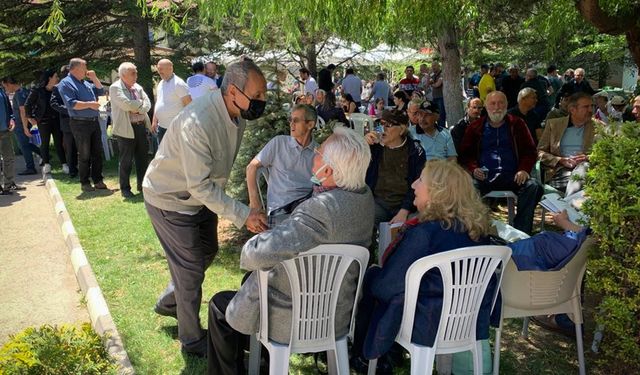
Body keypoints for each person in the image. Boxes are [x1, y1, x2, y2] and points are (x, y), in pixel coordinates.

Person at [207, 126, 374, 375]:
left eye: (319, 151)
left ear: (327, 171)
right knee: (248, 282)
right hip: (337, 311)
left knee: (219, 306)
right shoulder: (364, 198)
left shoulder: (321, 210)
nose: (314, 153)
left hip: (298, 315)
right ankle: (265, 360)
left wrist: (259, 239)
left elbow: (257, 254)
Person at [143, 60, 269, 357]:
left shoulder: (235, 114)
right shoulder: (197, 121)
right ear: (234, 92)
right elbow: (198, 185)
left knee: (207, 251)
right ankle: (191, 338)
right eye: (258, 95)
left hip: (200, 198)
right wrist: (243, 214)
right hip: (170, 199)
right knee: (189, 272)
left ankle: (169, 302)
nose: (262, 101)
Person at [351, 160, 494, 372]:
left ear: (438, 192)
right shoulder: (480, 231)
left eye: (420, 180)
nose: (413, 186)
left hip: (427, 324)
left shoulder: (424, 234)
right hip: (469, 319)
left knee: (373, 279)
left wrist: (373, 275)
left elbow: (386, 287)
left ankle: (368, 358)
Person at [459, 91, 542, 234]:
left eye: (500, 103)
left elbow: (530, 151)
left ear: (507, 105)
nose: (497, 107)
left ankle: (521, 232)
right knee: (468, 187)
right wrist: (474, 169)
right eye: (492, 103)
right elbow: (465, 155)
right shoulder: (476, 127)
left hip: (514, 176)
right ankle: (477, 231)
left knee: (533, 187)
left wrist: (523, 169)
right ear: (486, 106)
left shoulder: (517, 124)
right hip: (485, 178)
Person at [364, 109, 426, 255]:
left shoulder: (415, 151)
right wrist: (363, 145)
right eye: (380, 124)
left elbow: (417, 184)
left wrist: (404, 210)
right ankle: (367, 266)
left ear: (402, 129)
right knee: (365, 223)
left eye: (388, 125)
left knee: (418, 229)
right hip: (379, 201)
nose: (382, 129)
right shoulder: (375, 148)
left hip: (406, 204)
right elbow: (352, 165)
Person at [245, 104, 318, 227]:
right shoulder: (279, 143)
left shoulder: (318, 152)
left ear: (310, 125)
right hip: (281, 210)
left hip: (307, 209)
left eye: (296, 120)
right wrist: (254, 203)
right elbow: (251, 167)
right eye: (290, 120)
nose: (291, 124)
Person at [57, 57, 107, 192]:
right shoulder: (66, 83)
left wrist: (95, 78)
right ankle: (85, 182)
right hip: (80, 123)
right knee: (84, 154)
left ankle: (98, 180)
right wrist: (91, 104)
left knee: (97, 152)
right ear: (77, 68)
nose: (87, 70)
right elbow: (71, 104)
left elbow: (100, 92)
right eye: (85, 67)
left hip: (93, 122)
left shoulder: (84, 82)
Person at [538, 92, 597, 195]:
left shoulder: (598, 127)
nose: (590, 110)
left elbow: (606, 153)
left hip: (589, 171)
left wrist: (588, 157)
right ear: (572, 110)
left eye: (592, 106)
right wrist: (560, 160)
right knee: (583, 186)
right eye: (586, 107)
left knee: (583, 170)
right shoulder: (554, 125)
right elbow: (539, 152)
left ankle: (568, 206)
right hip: (560, 172)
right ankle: (571, 205)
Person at [109, 62, 152, 198]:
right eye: (133, 73)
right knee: (126, 160)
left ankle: (142, 186)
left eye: (136, 72)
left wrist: (138, 107)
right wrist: (141, 106)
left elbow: (148, 103)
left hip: (140, 127)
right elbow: (126, 104)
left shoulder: (137, 87)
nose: (136, 75)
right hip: (125, 130)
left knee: (142, 159)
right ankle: (125, 189)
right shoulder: (115, 88)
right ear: (123, 75)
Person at [25, 69, 67, 174]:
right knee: (45, 143)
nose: (57, 78)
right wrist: (30, 118)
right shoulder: (38, 90)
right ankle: (47, 164)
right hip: (43, 120)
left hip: (57, 119)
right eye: (55, 76)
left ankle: (64, 164)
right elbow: (27, 104)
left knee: (59, 142)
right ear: (49, 78)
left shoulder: (58, 89)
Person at [1, 76, 41, 175]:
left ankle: (30, 167)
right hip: (23, 124)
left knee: (24, 146)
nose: (5, 89)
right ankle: (44, 154)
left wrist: (24, 127)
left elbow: (23, 111)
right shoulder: (24, 91)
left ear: (9, 84)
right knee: (25, 145)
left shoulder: (19, 94)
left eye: (5, 87)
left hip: (21, 125)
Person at [152, 59, 192, 144]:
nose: (159, 71)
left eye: (161, 69)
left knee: (175, 154)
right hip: (161, 127)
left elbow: (189, 105)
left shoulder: (179, 83)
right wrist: (154, 120)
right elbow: (159, 102)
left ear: (170, 69)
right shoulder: (161, 83)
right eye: (158, 69)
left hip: (175, 128)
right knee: (163, 154)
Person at [49, 65, 78, 178]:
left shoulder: (79, 85)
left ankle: (84, 167)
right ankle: (72, 169)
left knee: (82, 145)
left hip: (81, 120)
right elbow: (54, 104)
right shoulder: (58, 87)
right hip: (67, 121)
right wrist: (69, 110)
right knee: (70, 147)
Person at [0, 85, 24, 194]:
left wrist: (12, 119)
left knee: (9, 158)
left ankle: (8, 185)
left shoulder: (1, 90)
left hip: (5, 130)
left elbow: (9, 110)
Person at [430, 61, 446, 127]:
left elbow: (437, 84)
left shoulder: (442, 74)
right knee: (434, 114)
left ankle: (442, 128)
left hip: (441, 97)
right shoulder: (433, 75)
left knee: (441, 114)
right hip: (435, 97)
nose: (433, 67)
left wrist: (432, 84)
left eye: (434, 66)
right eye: (432, 66)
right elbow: (428, 83)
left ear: (439, 66)